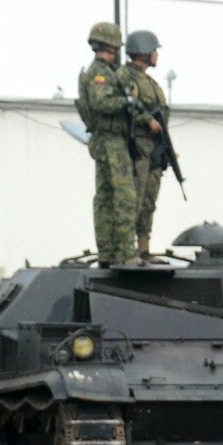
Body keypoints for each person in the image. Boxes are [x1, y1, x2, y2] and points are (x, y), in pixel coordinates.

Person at [74, 21, 138, 265]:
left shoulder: (104, 72)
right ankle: (124, 252)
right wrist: (127, 102)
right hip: (110, 141)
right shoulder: (100, 73)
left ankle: (109, 251)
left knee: (106, 197)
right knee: (123, 196)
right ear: (112, 46)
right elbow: (102, 103)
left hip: (108, 140)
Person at [120, 29, 170, 259]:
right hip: (138, 148)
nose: (156, 55)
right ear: (144, 52)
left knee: (149, 200)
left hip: (155, 149)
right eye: (154, 51)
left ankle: (143, 249)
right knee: (135, 201)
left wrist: (168, 148)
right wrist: (145, 120)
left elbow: (161, 118)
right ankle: (127, 249)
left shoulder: (151, 83)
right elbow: (128, 107)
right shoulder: (126, 78)